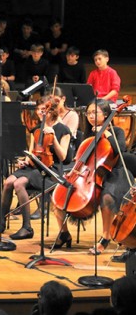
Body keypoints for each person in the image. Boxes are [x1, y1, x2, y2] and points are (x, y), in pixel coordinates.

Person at [52, 99, 130, 254]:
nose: (91, 116)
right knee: (59, 194)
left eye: (95, 112)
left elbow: (120, 150)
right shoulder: (87, 133)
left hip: (115, 173)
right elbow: (80, 157)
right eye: (88, 113)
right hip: (89, 174)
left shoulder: (117, 131)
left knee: (107, 197)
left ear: (106, 114)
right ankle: (64, 233)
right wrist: (73, 171)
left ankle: (105, 237)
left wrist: (107, 133)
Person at [0, 95, 71, 240]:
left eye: (43, 109)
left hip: (50, 170)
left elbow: (63, 157)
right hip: (34, 166)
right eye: (39, 109)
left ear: (52, 110)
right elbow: (33, 153)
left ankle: (27, 227)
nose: (40, 112)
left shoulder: (63, 130)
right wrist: (24, 161)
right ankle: (1, 222)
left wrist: (54, 138)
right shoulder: (36, 130)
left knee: (19, 183)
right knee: (8, 182)